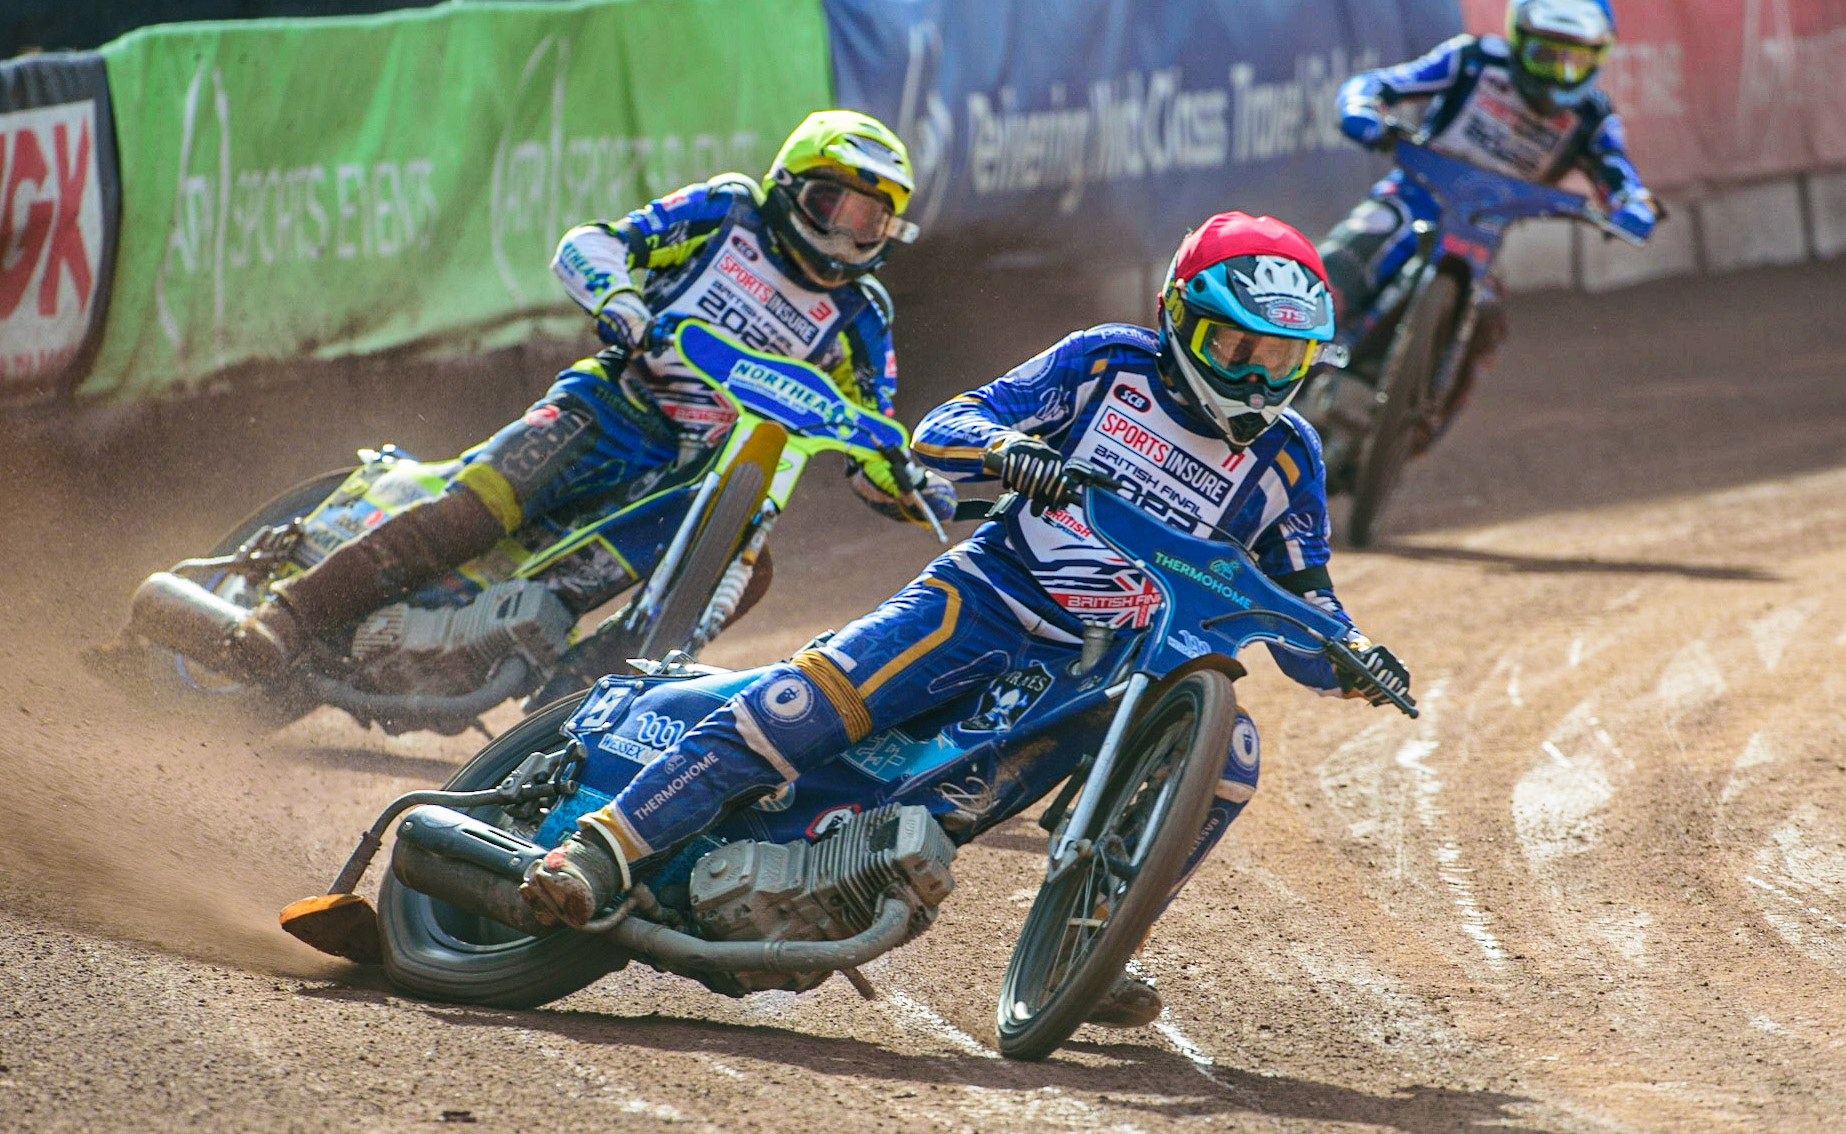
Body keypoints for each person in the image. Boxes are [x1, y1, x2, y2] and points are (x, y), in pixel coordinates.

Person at [521, 212, 1411, 1027]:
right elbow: (948, 425)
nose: (1258, 377)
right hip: (985, 598)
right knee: (802, 708)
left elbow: (1307, 599)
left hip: (1102, 671)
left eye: (1283, 360)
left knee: (1234, 756)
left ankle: (1094, 946)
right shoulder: (1108, 363)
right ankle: (601, 850)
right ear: (1180, 317)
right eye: (1237, 347)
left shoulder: (1290, 456)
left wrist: (1353, 653)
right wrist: (1012, 450)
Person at [221, 111, 953, 680]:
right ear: (792, 185)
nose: (850, 233)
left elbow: (870, 427)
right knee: (479, 510)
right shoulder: (729, 213)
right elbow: (594, 243)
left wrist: (907, 481)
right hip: (611, 408)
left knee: (748, 569)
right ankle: (290, 616)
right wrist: (624, 303)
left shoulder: (865, 314)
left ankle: (571, 705)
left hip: (699, 470)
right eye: (836, 205)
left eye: (872, 218)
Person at [1319, 0, 1657, 331]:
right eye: (1545, 55)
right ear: (1518, 38)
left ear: (1600, 55)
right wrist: (1361, 109)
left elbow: (1618, 171)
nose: (1559, 74)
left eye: (1574, 61)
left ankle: (1438, 385)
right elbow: (1382, 83)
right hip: (1415, 193)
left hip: (1482, 231)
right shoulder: (1474, 60)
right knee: (1352, 252)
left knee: (1487, 316)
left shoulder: (1592, 117)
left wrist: (1632, 204)